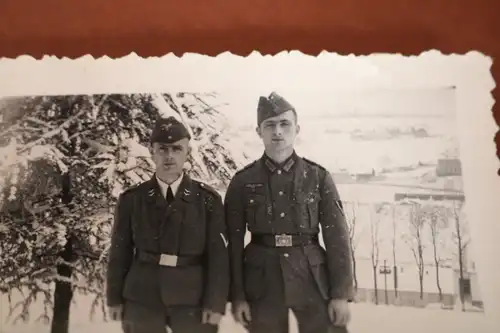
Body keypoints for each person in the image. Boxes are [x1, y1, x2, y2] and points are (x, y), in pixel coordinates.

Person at [225, 92, 354, 333]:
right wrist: (238, 295)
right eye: (270, 125)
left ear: (297, 129)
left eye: (285, 124)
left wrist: (340, 294)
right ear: (258, 131)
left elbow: (337, 238)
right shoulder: (243, 181)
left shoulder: (318, 177)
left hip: (312, 277)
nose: (278, 132)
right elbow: (232, 243)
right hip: (262, 280)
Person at [106, 116, 229, 333]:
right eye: (162, 149)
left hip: (193, 299)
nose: (169, 156)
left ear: (186, 153)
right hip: (142, 297)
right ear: (152, 151)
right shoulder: (132, 199)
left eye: (176, 149)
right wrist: (114, 297)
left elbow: (218, 256)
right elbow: (120, 251)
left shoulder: (207, 199)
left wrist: (215, 302)